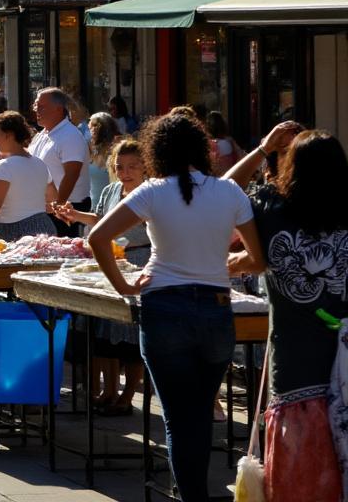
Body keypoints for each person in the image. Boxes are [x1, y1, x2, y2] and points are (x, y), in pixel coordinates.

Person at [86, 114, 262, 502]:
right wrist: (231, 264)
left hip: (164, 307)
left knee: (179, 419)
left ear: (156, 151)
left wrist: (123, 285)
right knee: (199, 414)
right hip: (215, 308)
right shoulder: (230, 192)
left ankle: (193, 495)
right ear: (201, 149)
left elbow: (98, 238)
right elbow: (259, 257)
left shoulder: (152, 191)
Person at [215, 121, 341, 499]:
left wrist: (262, 149)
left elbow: (222, 194)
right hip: (341, 360)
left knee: (299, 473)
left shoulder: (272, 207)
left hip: (295, 365)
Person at [53, 139, 150, 417]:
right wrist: (75, 214)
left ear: (145, 167)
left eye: (132, 166)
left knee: (130, 334)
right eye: (120, 167)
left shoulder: (149, 193)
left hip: (138, 260)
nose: (125, 172)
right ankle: (109, 390)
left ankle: (128, 394)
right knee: (106, 331)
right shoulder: (111, 190)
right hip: (110, 262)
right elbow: (101, 218)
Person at [0, 112, 58, 240]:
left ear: (8, 136)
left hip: (17, 233)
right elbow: (52, 197)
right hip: (45, 227)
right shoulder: (40, 163)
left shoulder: (4, 166)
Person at [29, 88, 90, 236]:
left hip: (66, 210)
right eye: (36, 105)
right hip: (45, 209)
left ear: (58, 109)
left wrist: (59, 205)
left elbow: (72, 174)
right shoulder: (42, 135)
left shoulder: (70, 135)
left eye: (41, 106)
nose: (36, 109)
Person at [86, 112, 122, 207]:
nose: (90, 132)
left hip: (113, 208)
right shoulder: (91, 149)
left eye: (91, 128)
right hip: (94, 208)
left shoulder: (116, 152)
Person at [205, 112, 243, 176]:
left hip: (215, 181)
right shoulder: (229, 142)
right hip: (231, 178)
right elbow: (241, 156)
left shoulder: (208, 145)